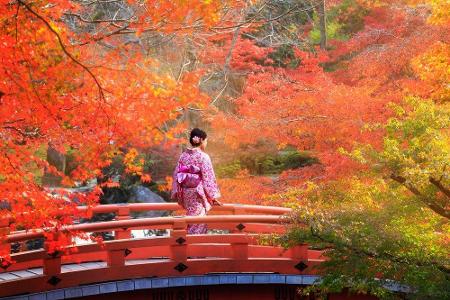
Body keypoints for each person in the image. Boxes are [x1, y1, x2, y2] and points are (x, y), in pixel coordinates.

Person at [171, 128, 222, 234]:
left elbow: (176, 175)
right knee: (198, 220)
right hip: (197, 193)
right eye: (206, 141)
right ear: (202, 140)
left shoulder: (183, 156)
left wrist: (177, 192)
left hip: (185, 192)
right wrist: (213, 196)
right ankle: (194, 244)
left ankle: (190, 241)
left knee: (191, 217)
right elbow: (208, 177)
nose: (206, 143)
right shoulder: (204, 157)